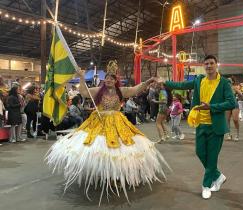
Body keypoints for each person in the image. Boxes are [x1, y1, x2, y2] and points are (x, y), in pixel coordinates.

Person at [45, 61, 169, 204]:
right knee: (99, 149)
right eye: (107, 78)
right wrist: (81, 77)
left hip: (118, 124)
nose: (108, 80)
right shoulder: (98, 90)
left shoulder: (121, 91)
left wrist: (148, 81)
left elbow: (136, 89)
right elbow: (84, 92)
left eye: (111, 78)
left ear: (115, 80)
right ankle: (103, 174)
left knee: (118, 151)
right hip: (99, 123)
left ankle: (114, 176)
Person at [159, 54, 236, 199]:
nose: (209, 66)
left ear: (216, 65)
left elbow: (231, 103)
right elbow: (182, 85)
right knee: (200, 152)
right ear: (203, 66)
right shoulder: (199, 80)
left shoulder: (224, 83)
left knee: (212, 157)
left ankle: (206, 185)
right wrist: (165, 83)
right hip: (201, 124)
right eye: (206, 64)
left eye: (211, 63)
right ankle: (218, 176)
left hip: (216, 126)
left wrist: (211, 107)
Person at [226, 77, 242, 141]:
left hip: (234, 105)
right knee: (227, 120)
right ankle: (229, 134)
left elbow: (241, 94)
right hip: (227, 105)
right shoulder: (224, 89)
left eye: (229, 81)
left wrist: (239, 96)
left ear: (232, 82)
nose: (228, 82)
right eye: (227, 81)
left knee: (235, 120)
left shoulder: (234, 87)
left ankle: (237, 134)